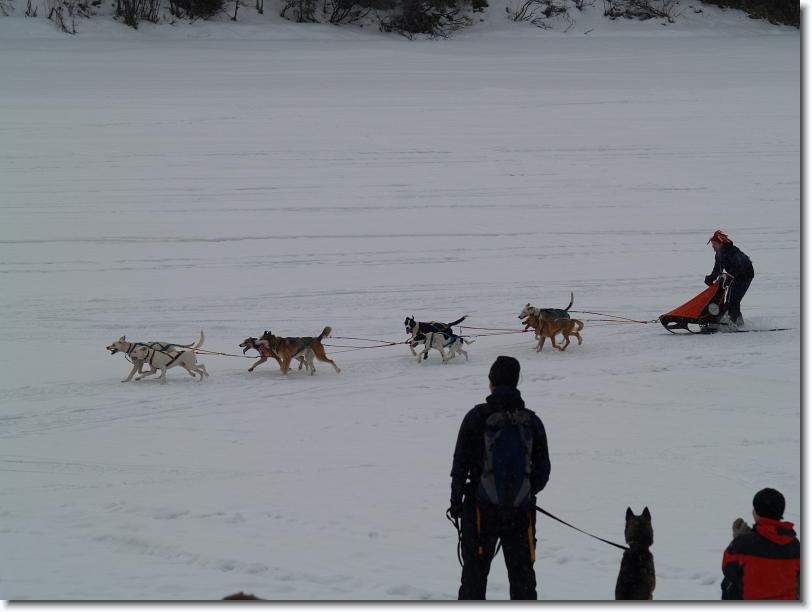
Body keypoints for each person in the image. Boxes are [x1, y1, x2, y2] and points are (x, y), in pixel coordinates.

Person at [448, 356, 551, 600]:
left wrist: (456, 503)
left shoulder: (476, 417)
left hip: (480, 512)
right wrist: (523, 491)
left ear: (491, 382)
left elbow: (459, 466)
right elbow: (543, 471)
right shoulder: (532, 421)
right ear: (516, 382)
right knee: (523, 581)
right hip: (520, 513)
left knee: (474, 578)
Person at [721, 488, 800, 600]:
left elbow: (727, 568)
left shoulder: (742, 543)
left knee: (729, 583)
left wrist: (740, 539)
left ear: (756, 513)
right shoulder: (795, 544)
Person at [704, 230, 754, 327]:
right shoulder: (719, 254)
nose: (712, 246)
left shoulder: (731, 251)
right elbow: (717, 269)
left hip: (745, 275)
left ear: (720, 243)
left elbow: (740, 266)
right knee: (730, 299)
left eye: (714, 244)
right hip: (736, 276)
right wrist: (710, 278)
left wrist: (730, 276)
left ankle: (733, 323)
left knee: (733, 299)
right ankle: (739, 323)